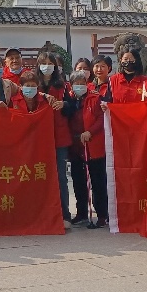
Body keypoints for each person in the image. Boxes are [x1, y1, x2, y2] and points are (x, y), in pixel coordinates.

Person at [36, 51, 74, 227]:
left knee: (61, 177)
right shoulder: (33, 85)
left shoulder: (63, 86)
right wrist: (43, 95)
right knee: (39, 176)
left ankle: (65, 214)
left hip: (59, 137)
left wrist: (63, 104)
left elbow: (72, 106)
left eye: (51, 63)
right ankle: (41, 214)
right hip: (37, 138)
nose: (47, 66)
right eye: (44, 63)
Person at [71, 69, 109, 229]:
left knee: (98, 182)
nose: (79, 86)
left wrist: (90, 132)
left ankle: (102, 215)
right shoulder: (70, 100)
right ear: (71, 85)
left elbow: (101, 118)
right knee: (79, 182)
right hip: (76, 146)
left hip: (93, 145)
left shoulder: (95, 98)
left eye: (82, 83)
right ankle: (81, 213)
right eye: (76, 83)